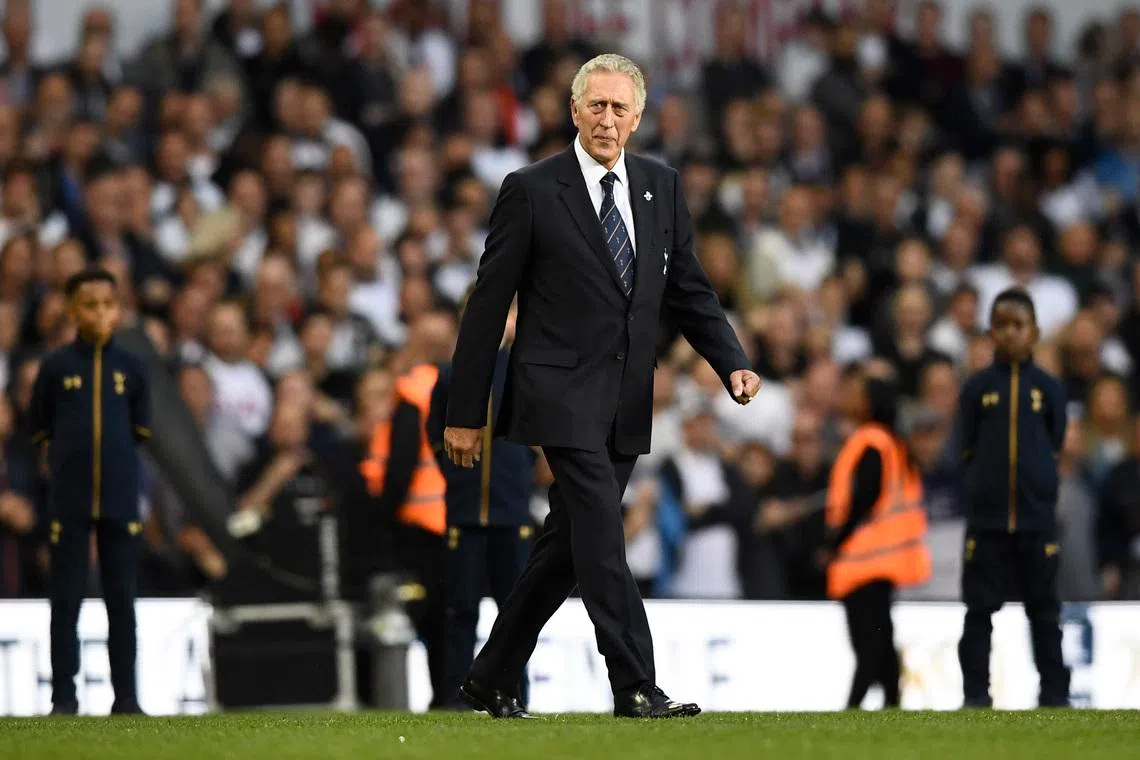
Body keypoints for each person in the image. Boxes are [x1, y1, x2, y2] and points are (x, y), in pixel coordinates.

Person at [442, 54, 761, 719]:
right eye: (596, 105)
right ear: (574, 110)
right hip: (555, 394)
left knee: (568, 546)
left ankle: (489, 677)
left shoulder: (661, 186)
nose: (607, 119)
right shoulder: (530, 188)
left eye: (620, 108)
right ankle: (635, 684)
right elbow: (486, 304)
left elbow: (690, 290)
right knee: (601, 529)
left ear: (638, 117)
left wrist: (729, 359)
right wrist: (465, 410)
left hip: (624, 399)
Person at [28, 268, 151, 715]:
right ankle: (64, 697)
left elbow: (139, 432)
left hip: (119, 500)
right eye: (90, 304)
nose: (101, 313)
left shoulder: (132, 370)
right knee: (66, 599)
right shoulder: (56, 367)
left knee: (123, 598)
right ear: (72, 309)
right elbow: (39, 429)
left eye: (108, 303)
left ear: (119, 308)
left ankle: (128, 698)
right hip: (71, 500)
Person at [956, 287, 1070, 708]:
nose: (1008, 334)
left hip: (1036, 521)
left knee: (1044, 612)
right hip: (986, 522)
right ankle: (975, 695)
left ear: (1034, 331)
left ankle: (1055, 695)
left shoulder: (1050, 389)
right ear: (989, 332)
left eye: (1017, 325)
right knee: (978, 613)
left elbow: (1054, 441)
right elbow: (966, 446)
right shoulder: (976, 389)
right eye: (1000, 326)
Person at [427, 297, 537, 709]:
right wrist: (457, 475)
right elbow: (434, 432)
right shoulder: (454, 373)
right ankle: (455, 694)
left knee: (517, 612)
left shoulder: (525, 369)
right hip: (466, 511)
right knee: (460, 610)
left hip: (511, 513)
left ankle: (513, 691)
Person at [825, 364, 931, 710]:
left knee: (868, 644)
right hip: (886, 558)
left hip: (864, 559)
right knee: (882, 640)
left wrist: (835, 542)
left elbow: (863, 500)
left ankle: (853, 707)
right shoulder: (893, 443)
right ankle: (892, 701)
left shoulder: (871, 443)